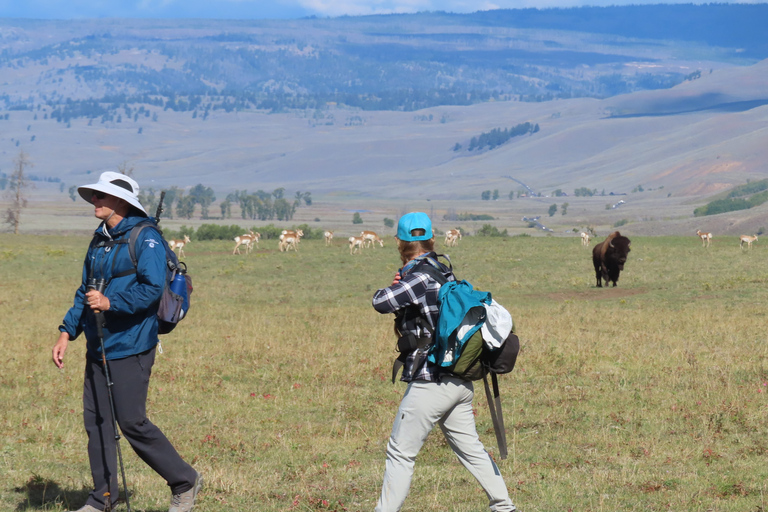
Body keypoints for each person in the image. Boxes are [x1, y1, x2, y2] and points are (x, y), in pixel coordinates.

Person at [52, 172, 202, 512]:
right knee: (98, 424)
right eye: (93, 195)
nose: (95, 201)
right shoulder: (100, 239)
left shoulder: (145, 238)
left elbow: (152, 288)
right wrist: (66, 332)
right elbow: (85, 291)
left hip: (133, 344)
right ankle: (102, 499)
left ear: (121, 202)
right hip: (98, 344)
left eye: (101, 196)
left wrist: (110, 303)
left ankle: (184, 480)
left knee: (132, 422)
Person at [371, 212, 517, 512]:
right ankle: (504, 507)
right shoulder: (443, 270)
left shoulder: (419, 276)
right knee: (471, 449)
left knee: (400, 453)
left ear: (399, 241)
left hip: (431, 380)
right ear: (431, 240)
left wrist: (398, 281)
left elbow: (381, 302)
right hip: (459, 380)